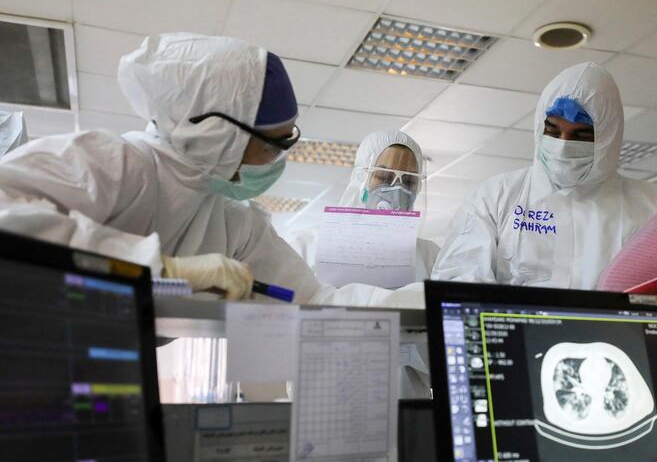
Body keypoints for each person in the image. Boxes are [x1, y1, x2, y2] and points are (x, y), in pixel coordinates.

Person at [0, 33, 406, 306]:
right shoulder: (118, 163)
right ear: (216, 133)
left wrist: (423, 303)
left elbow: (315, 302)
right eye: (273, 145)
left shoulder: (236, 223)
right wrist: (162, 268)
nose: (278, 160)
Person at [431, 62, 657, 289]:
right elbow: (459, 280)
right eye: (552, 130)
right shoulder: (496, 197)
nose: (563, 146)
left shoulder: (655, 207)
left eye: (581, 135)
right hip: (517, 332)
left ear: (608, 136)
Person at [289, 130, 440, 284]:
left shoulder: (429, 257)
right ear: (360, 178)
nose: (398, 190)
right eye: (384, 177)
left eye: (409, 181)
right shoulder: (309, 246)